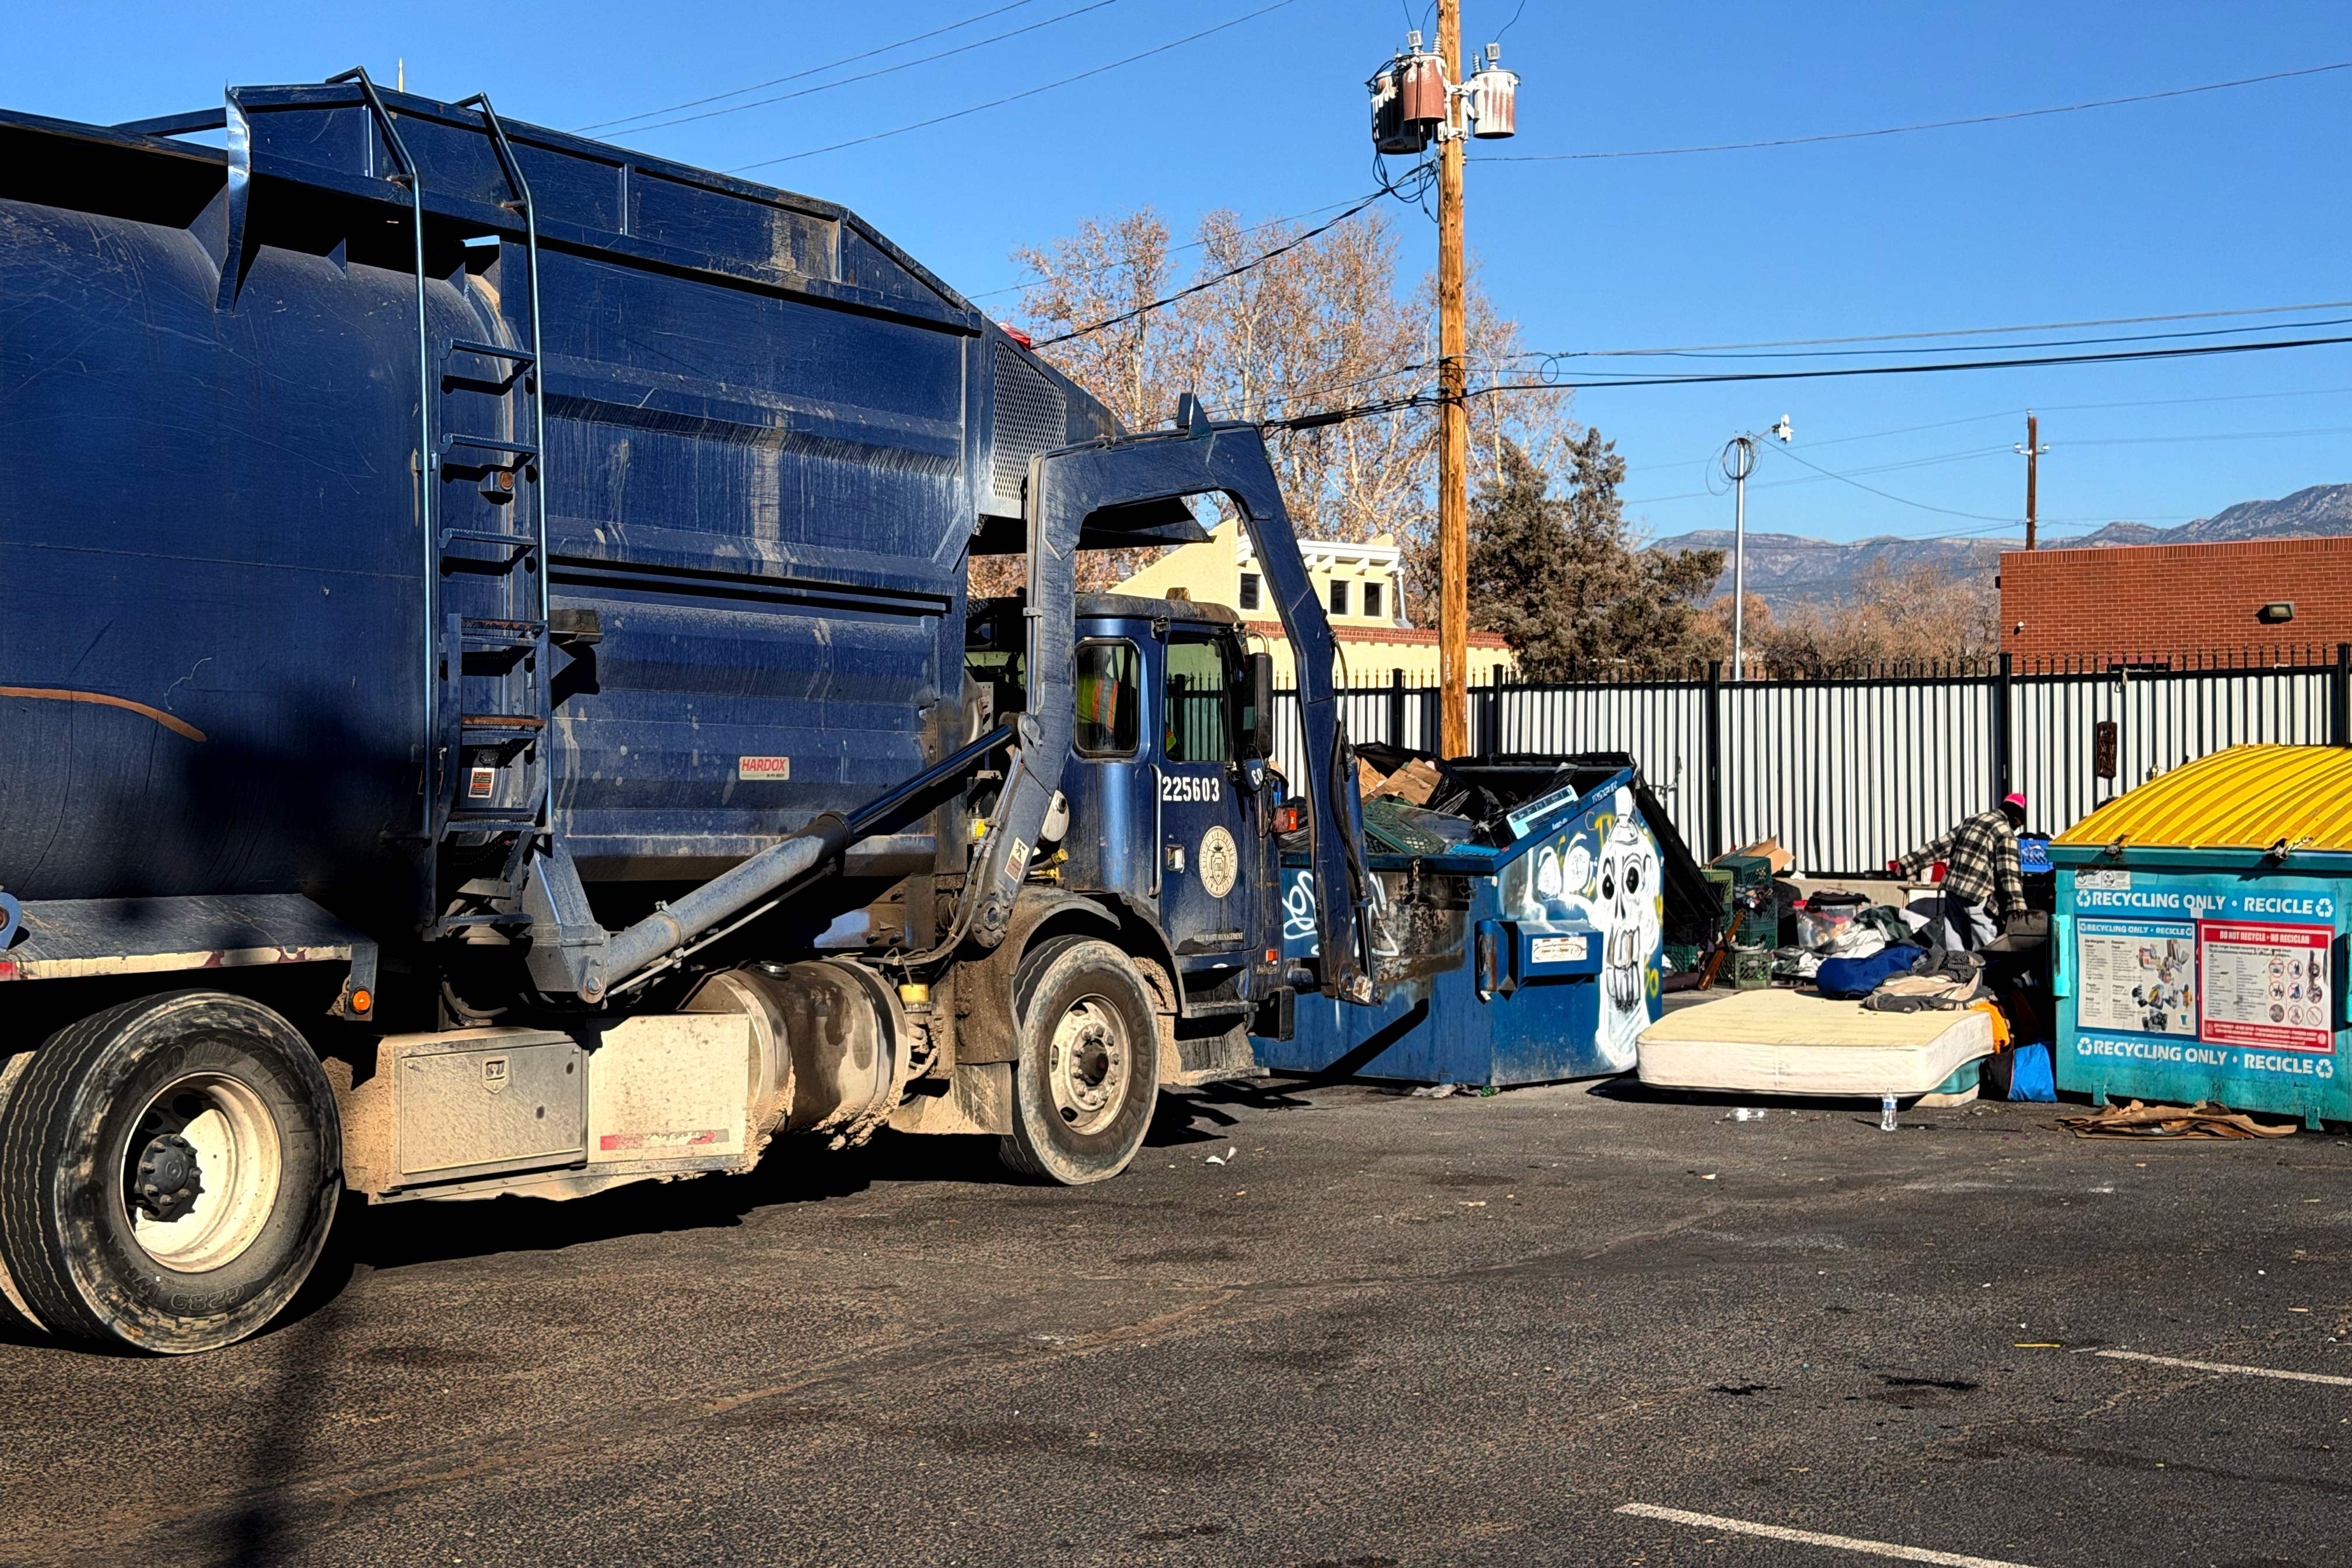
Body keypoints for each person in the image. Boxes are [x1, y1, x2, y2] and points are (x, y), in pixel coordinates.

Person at [1894, 792, 2027, 951]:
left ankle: (1954, 972)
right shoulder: (2005, 834)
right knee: (1990, 944)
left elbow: (1940, 846)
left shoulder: (1972, 820)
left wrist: (1907, 863)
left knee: (1954, 945)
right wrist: (2016, 902)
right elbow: (2009, 873)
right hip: (1977, 896)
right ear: (2015, 818)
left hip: (1953, 890)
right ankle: (1988, 973)